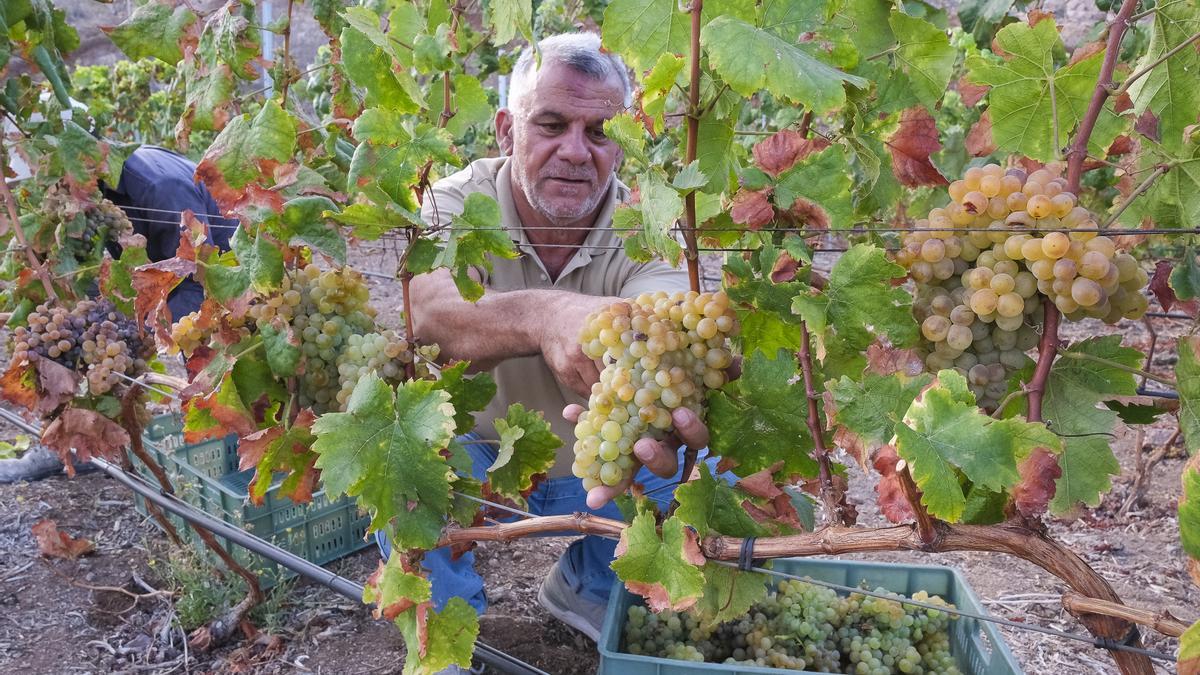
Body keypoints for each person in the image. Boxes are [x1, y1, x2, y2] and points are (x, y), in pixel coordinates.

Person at [375, 33, 717, 659]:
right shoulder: (453, 201)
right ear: (506, 130)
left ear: (622, 143)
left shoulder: (651, 225)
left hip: (599, 472)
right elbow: (429, 314)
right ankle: (451, 639)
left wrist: (650, 370)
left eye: (599, 131)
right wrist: (541, 314)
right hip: (473, 468)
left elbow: (670, 329)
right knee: (397, 460)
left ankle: (587, 583)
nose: (575, 151)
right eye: (552, 124)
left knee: (704, 466)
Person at [102, 145, 238, 319]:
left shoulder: (160, 188)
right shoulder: (104, 189)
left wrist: (159, 337)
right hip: (181, 284)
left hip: (227, 286)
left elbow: (197, 279)